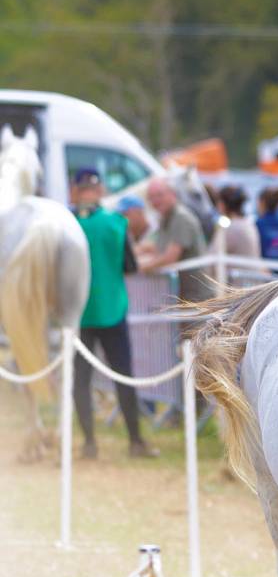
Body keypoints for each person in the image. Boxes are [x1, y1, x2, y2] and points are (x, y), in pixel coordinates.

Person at [70, 168, 158, 460]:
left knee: (80, 380)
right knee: (123, 374)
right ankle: (135, 441)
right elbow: (130, 267)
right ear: (101, 190)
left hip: (79, 311)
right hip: (111, 308)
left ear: (76, 190)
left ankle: (89, 443)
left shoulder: (67, 224)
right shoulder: (116, 224)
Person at [137, 176, 208, 310]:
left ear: (172, 194)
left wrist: (139, 268)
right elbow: (159, 248)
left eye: (159, 195)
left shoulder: (180, 217)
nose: (155, 201)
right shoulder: (166, 218)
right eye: (151, 197)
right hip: (184, 299)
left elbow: (170, 258)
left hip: (197, 300)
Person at [216, 183, 259, 260]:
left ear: (223, 204)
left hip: (237, 271)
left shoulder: (231, 229)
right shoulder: (249, 225)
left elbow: (212, 255)